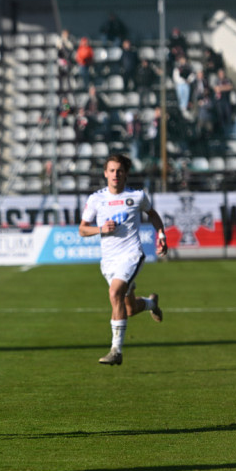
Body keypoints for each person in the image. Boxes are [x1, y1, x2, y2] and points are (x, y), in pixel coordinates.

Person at [79, 154, 168, 366]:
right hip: (109, 261)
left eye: (119, 170)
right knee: (128, 309)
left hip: (131, 255)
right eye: (111, 170)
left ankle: (115, 351)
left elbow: (153, 215)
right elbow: (82, 229)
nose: (115, 174)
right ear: (105, 173)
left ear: (125, 173)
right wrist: (100, 229)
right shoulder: (96, 199)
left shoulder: (137, 196)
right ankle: (150, 303)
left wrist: (161, 235)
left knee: (114, 293)